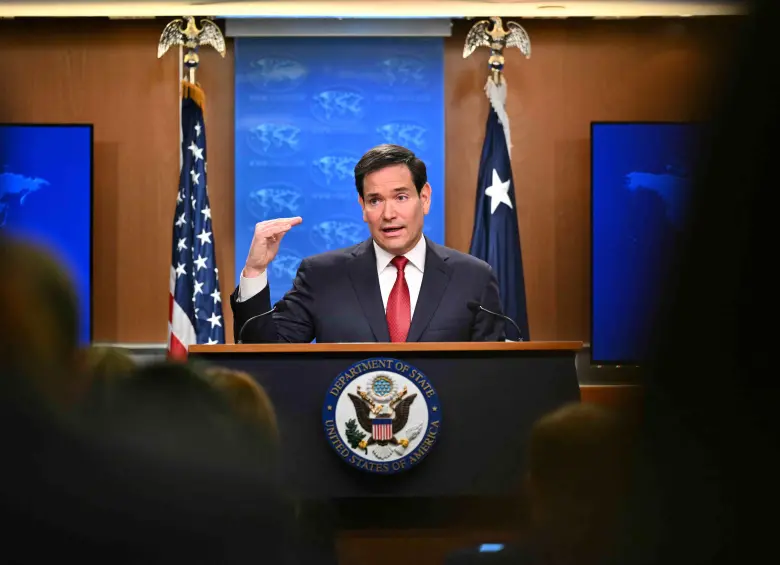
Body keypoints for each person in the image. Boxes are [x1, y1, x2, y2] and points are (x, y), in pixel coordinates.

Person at [231, 144, 506, 343]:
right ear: (363, 207)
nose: (388, 214)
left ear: (424, 198)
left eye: (401, 197)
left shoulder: (472, 278)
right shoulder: (322, 276)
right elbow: (265, 352)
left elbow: (492, 372)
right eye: (375, 200)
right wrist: (255, 271)